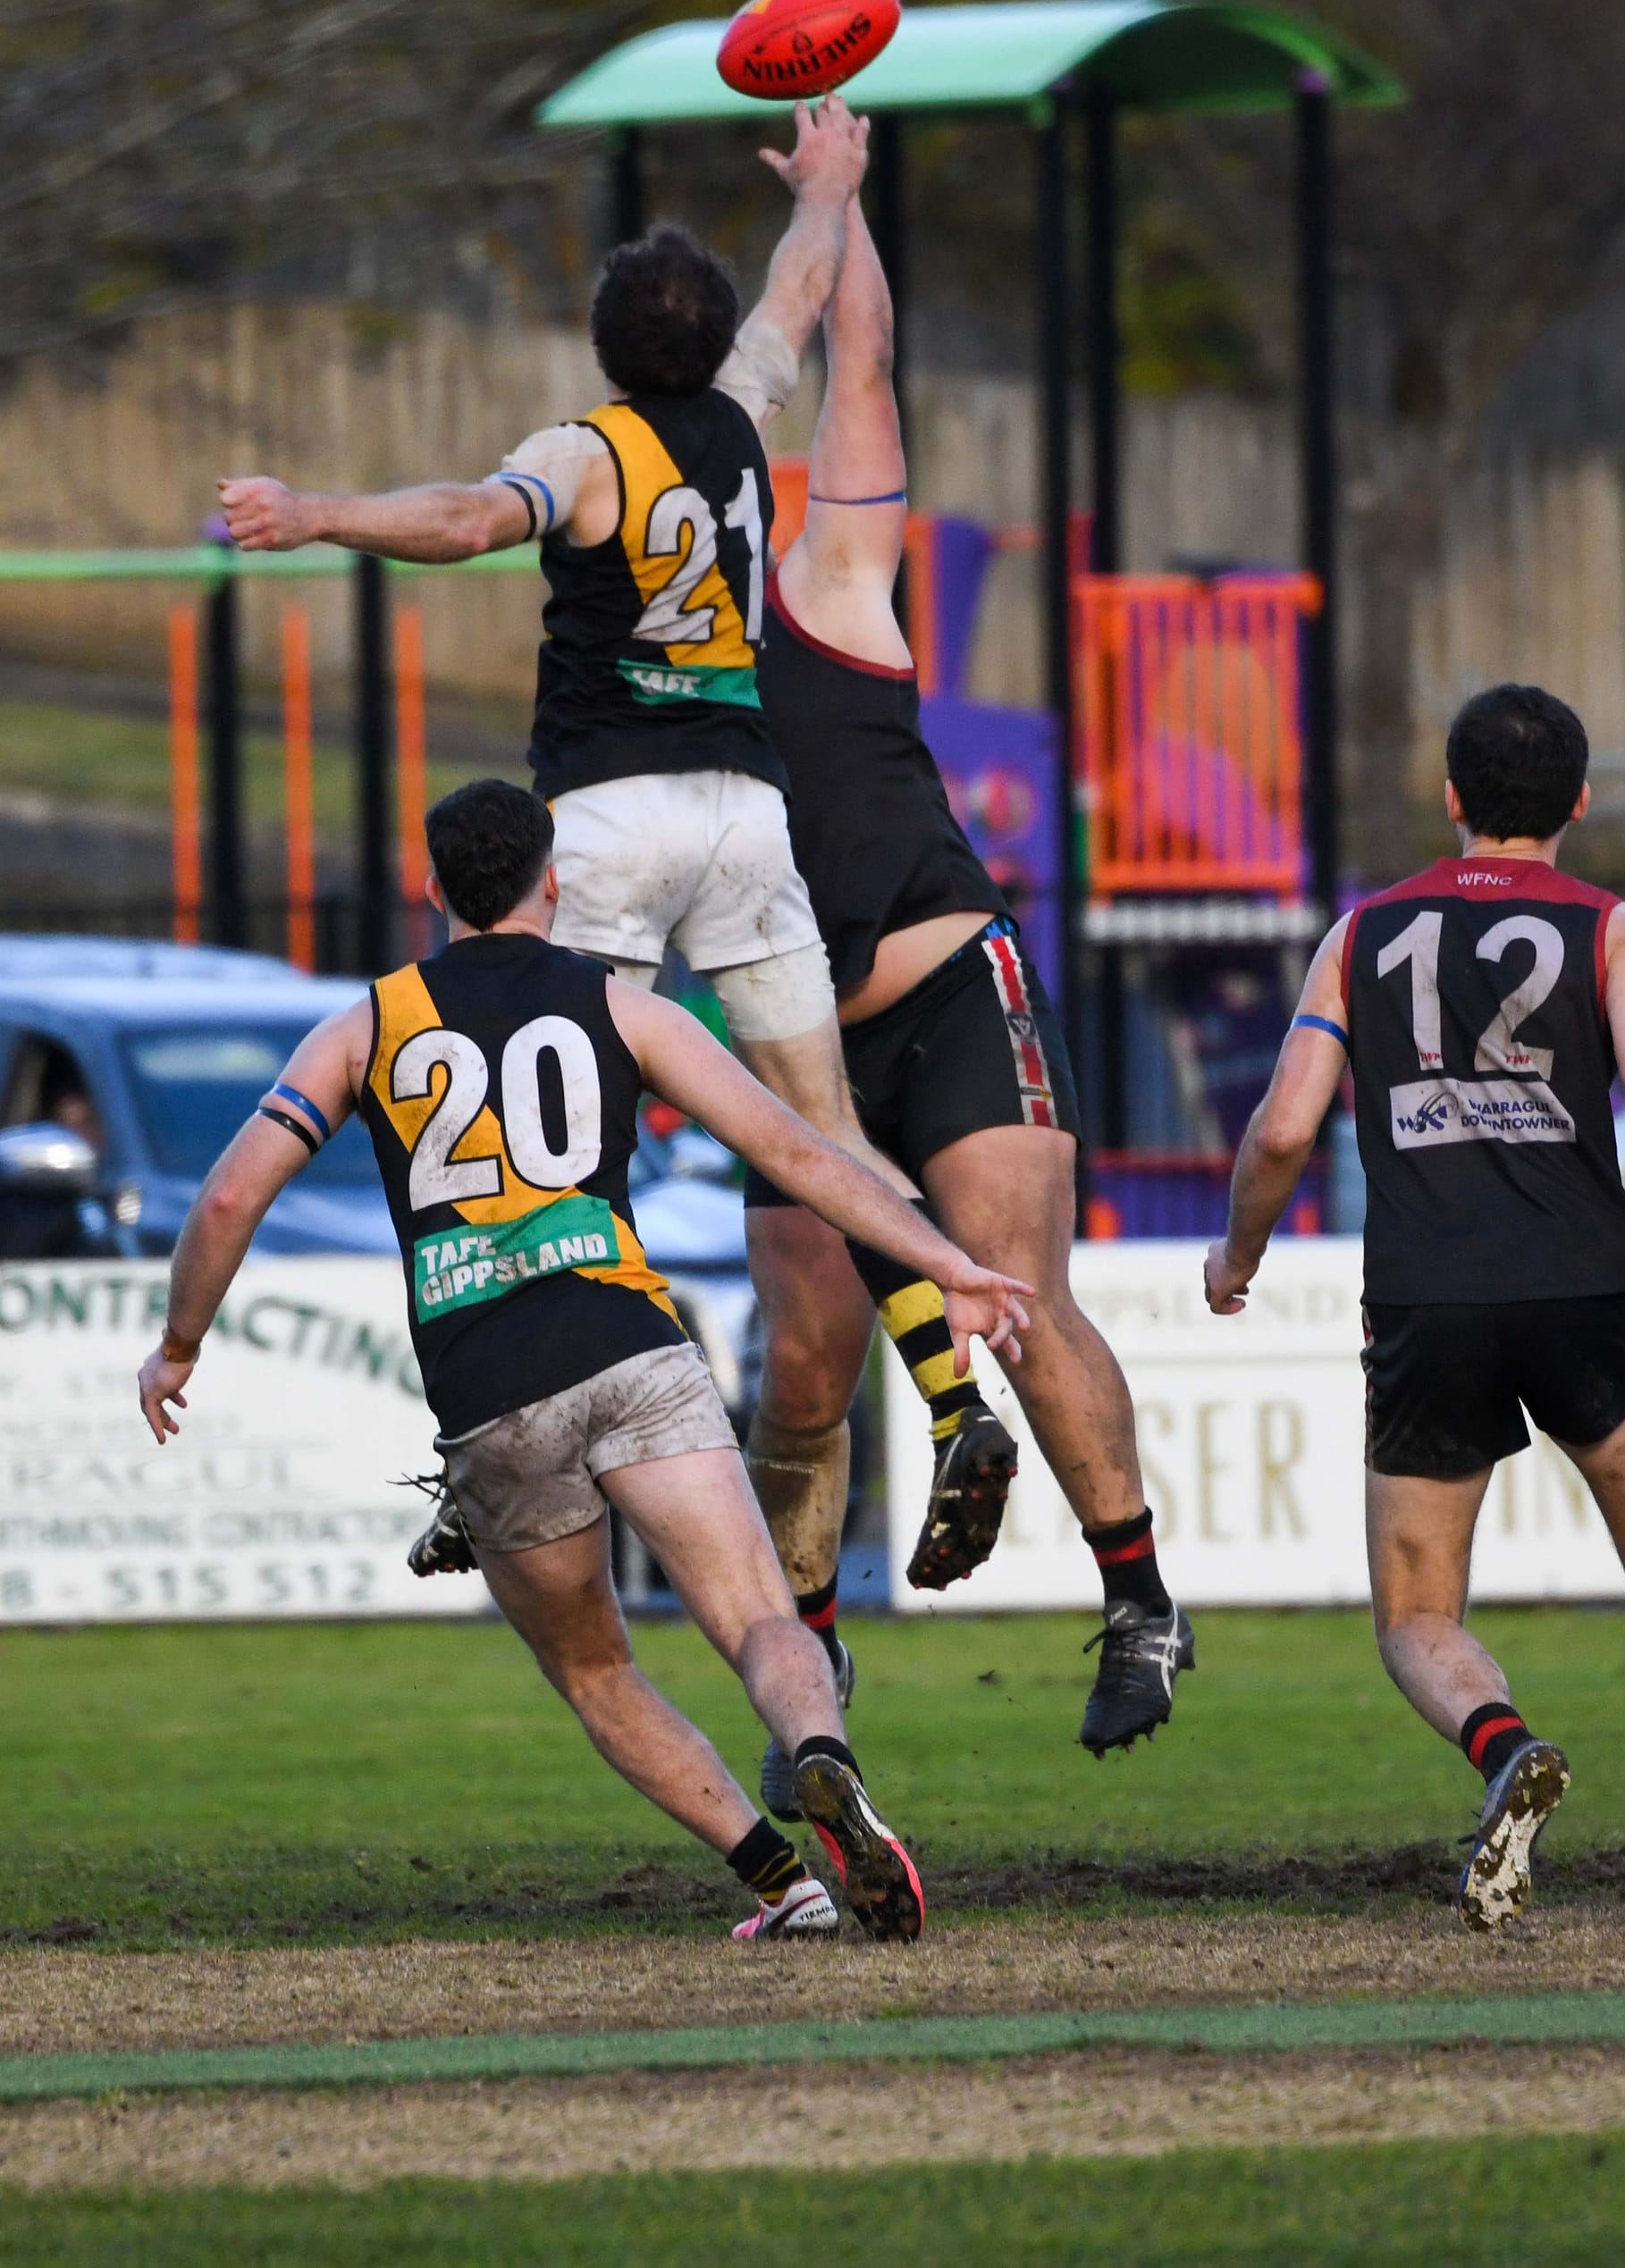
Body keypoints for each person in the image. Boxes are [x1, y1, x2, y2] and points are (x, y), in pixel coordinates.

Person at [215, 99, 1012, 1573]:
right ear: (709, 340)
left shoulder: (586, 452)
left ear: (604, 349)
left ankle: (502, 1441)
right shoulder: (744, 414)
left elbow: (469, 520)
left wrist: (314, 511)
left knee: (551, 1148)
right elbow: (797, 296)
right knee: (828, 1135)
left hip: (609, 818)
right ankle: (956, 1395)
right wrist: (829, 185)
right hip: (748, 817)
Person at [135, 778, 1030, 1945]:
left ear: (434, 889)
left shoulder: (364, 1027)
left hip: (490, 1391)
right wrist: (948, 1263)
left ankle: (785, 1888)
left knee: (598, 1671)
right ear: (551, 884)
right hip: (631, 1347)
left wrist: (178, 1347)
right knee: (760, 1620)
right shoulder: (620, 1008)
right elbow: (801, 1154)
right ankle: (821, 1755)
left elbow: (228, 1199)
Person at [741, 182, 1193, 1796]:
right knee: (804, 1359)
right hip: (796, 1048)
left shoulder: (826, 583)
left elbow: (860, 366)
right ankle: (810, 1657)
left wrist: (839, 197)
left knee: (1017, 1297)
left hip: (946, 985)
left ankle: (1138, 1603)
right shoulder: (638, 675)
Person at [1204, 683, 1625, 1931]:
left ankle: (1507, 1747)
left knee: (1418, 1613)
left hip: (1426, 1300)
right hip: (1580, 1290)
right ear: (1580, 801)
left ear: (1453, 798)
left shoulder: (1361, 935)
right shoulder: (1616, 931)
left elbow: (1286, 1127)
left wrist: (1237, 1255)